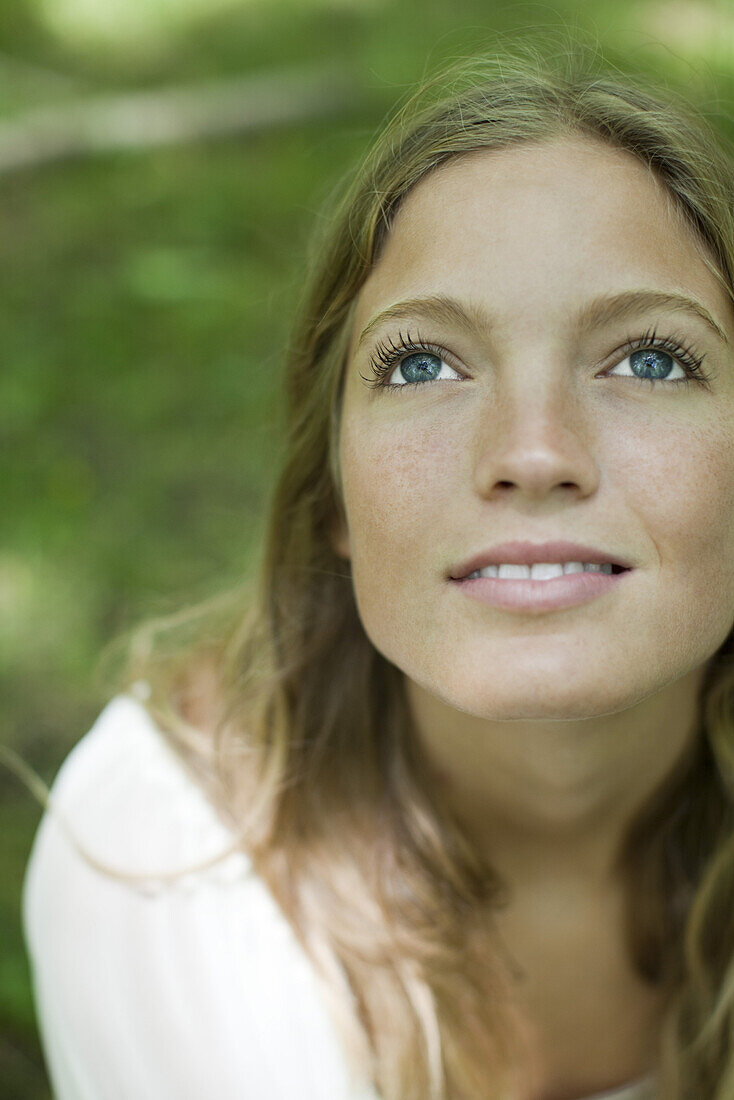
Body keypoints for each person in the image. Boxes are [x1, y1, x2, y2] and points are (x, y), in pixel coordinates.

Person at [21, 34, 734, 1100]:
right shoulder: (169, 859)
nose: (531, 452)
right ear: (334, 495)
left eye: (646, 358)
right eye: (421, 362)